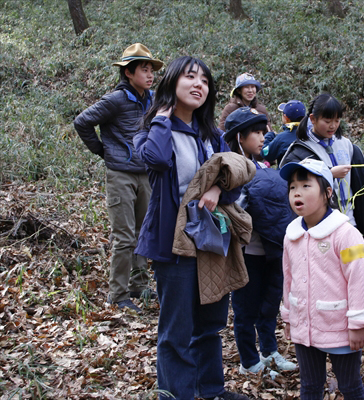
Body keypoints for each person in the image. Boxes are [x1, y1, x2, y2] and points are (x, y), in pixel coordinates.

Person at [133, 56, 250, 400]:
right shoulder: (152, 131)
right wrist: (162, 120)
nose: (199, 85)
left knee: (210, 325)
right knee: (177, 329)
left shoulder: (213, 135)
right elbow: (154, 160)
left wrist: (218, 188)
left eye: (205, 81)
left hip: (213, 240)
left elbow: (237, 175)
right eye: (190, 77)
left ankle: (211, 390)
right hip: (174, 241)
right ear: (171, 83)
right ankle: (177, 393)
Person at [73, 43, 163, 312]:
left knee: (143, 232)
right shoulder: (115, 100)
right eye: (144, 70)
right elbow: (82, 122)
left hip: (145, 174)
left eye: (151, 70)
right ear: (128, 73)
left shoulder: (153, 99)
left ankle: (139, 286)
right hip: (121, 175)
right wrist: (104, 151)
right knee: (124, 237)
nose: (149, 75)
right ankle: (118, 294)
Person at [279, 158, 364, 400]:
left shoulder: (347, 234)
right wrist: (289, 316)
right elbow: (288, 278)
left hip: (340, 325)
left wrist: (358, 323)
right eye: (292, 187)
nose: (297, 193)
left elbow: (359, 277)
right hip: (305, 325)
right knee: (310, 386)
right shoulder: (292, 235)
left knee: (350, 386)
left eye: (306, 186)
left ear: (327, 192)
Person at [223, 107, 297, 375]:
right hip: (247, 252)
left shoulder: (262, 166)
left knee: (269, 301)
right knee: (245, 306)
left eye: (263, 131)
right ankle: (249, 361)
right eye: (256, 132)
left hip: (270, 248)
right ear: (240, 137)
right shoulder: (229, 167)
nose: (263, 137)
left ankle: (269, 350)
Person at [280, 93, 364, 256]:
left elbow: (362, 178)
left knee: (354, 265)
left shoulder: (347, 145)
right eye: (327, 121)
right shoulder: (300, 151)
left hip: (351, 223)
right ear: (313, 119)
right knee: (327, 272)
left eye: (337, 120)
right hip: (320, 227)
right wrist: (328, 174)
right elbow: (296, 185)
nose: (333, 126)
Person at [261, 100, 306, 166]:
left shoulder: (282, 138)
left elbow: (266, 153)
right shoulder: (309, 134)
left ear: (286, 118)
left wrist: (269, 136)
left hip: (285, 175)